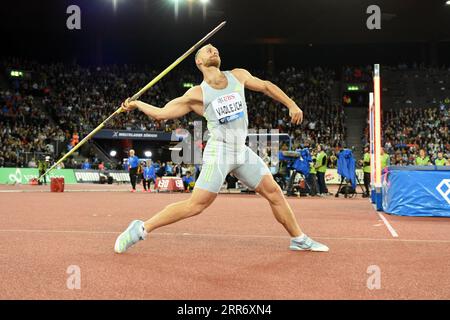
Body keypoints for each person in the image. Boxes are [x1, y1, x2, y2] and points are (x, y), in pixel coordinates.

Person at [114, 43, 328, 253]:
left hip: (241, 150)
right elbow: (161, 113)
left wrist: (291, 104)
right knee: (196, 205)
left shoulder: (238, 75)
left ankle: (298, 239)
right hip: (220, 151)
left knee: (274, 192)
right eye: (207, 49)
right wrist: (136, 104)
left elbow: (266, 86)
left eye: (215, 48)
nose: (213, 50)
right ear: (199, 61)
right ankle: (140, 228)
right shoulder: (197, 94)